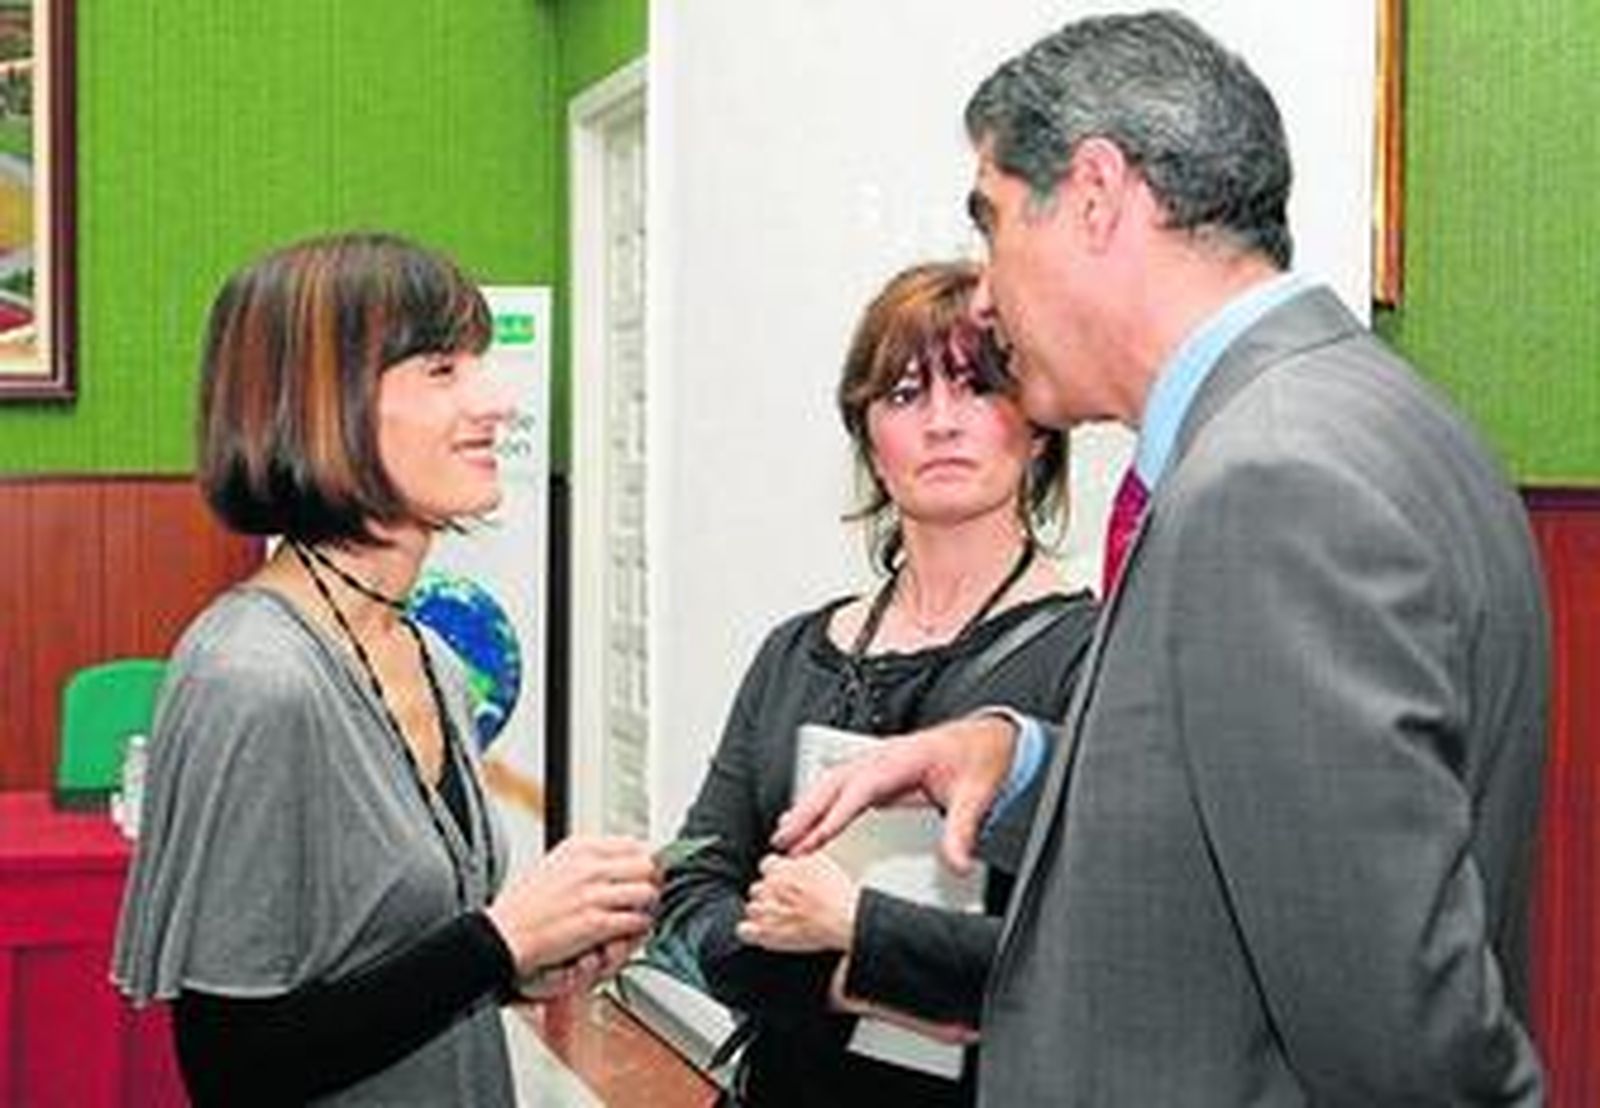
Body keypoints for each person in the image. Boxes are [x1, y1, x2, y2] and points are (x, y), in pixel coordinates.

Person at [775, 12, 1550, 1105]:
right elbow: (1245, 834)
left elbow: (1406, 1044)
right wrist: (1026, 765)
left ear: (1095, 195)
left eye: (992, 224)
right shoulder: (1354, 417)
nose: (986, 296)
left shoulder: (1272, 485)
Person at [112, 232, 660, 1106]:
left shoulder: (430, 656)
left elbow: (384, 973)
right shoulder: (253, 676)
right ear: (322, 405)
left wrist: (529, 964)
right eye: (442, 369)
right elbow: (234, 1066)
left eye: (479, 362)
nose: (498, 403)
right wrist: (498, 941)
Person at [656, 261, 1098, 1107]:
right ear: (867, 436)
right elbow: (692, 891)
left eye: (977, 388)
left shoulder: (1091, 656)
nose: (940, 424)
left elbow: (1092, 958)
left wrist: (861, 931)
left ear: (1039, 425)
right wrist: (830, 982)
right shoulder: (794, 652)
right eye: (903, 395)